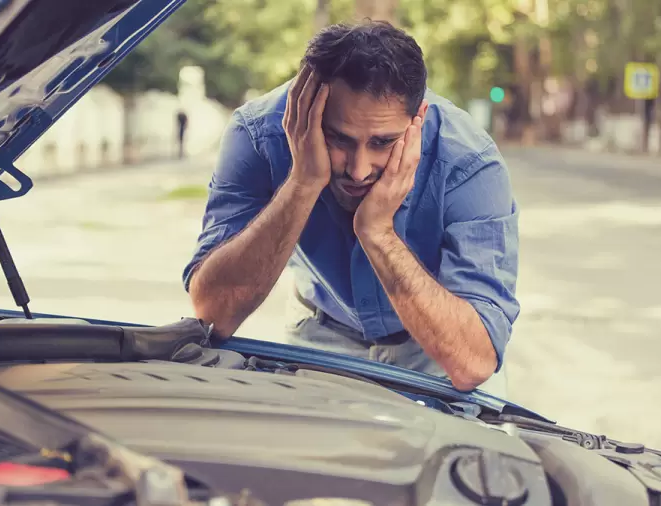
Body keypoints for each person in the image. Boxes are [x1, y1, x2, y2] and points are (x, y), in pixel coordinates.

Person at [182, 21, 519, 396]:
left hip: (433, 348)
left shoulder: (469, 162)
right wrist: (301, 184)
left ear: (417, 118)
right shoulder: (259, 135)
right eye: (338, 138)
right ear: (304, 106)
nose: (358, 170)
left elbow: (472, 363)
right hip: (319, 333)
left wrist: (378, 234)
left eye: (383, 142)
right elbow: (212, 315)